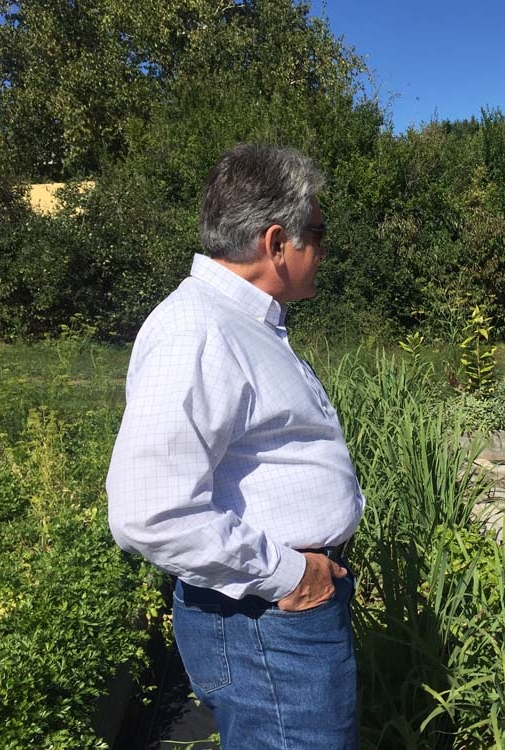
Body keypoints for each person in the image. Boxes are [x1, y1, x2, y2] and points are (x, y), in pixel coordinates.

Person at [106, 143, 365, 750]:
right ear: (277, 243)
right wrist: (292, 575)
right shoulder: (197, 330)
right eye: (317, 234)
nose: (324, 251)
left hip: (277, 613)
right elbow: (148, 512)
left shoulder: (243, 322)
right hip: (265, 619)